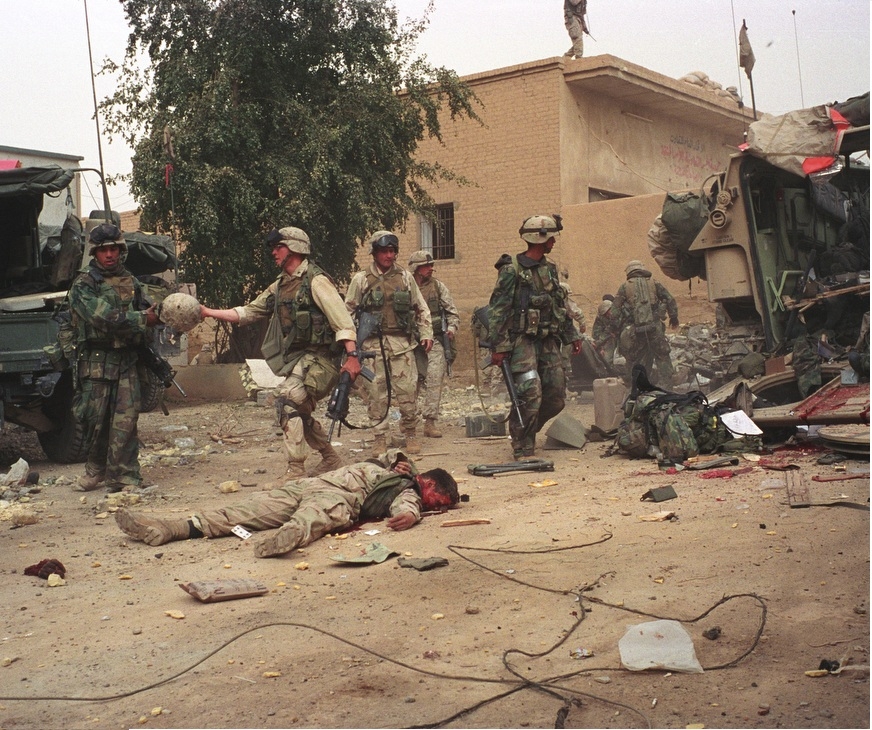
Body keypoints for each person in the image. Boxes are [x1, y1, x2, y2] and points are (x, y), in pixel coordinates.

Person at [200, 227, 362, 478]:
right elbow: (248, 312)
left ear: (295, 248)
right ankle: (330, 458)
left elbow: (343, 322)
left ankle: (295, 470)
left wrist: (352, 358)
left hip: (323, 360)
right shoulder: (280, 285)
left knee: (287, 400)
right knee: (298, 410)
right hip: (301, 361)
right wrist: (208, 312)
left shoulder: (316, 281)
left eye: (279, 247)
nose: (274, 253)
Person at [114, 449, 459, 558]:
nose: (439, 508)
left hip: (336, 498)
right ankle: (171, 528)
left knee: (311, 519)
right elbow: (390, 452)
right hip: (309, 485)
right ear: (429, 482)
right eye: (439, 500)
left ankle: (283, 541)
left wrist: (411, 517)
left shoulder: (408, 492)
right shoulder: (400, 472)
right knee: (244, 512)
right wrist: (403, 461)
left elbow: (406, 507)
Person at [69, 223, 160, 493]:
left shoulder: (131, 280)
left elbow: (146, 310)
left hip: (126, 360)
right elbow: (104, 317)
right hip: (97, 362)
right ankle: (96, 468)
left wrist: (157, 315)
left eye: (113, 249)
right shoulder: (84, 284)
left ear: (121, 251)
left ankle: (125, 476)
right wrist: (143, 319)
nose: (109, 255)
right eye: (103, 250)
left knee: (126, 421)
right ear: (95, 253)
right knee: (96, 421)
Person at [487, 215, 582, 460]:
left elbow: (558, 305)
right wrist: (498, 347)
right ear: (539, 239)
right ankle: (522, 443)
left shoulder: (550, 269)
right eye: (550, 237)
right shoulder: (511, 270)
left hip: (548, 339)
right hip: (522, 341)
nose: (553, 242)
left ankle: (526, 427)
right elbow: (498, 310)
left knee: (556, 396)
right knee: (529, 392)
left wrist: (571, 335)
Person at [344, 231, 433, 456]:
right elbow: (347, 313)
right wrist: (350, 346)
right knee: (375, 394)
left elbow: (421, 307)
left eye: (392, 251)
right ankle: (380, 437)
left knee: (408, 391)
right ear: (374, 253)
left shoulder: (405, 277)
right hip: (371, 347)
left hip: (401, 344)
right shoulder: (361, 279)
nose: (389, 255)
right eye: (384, 251)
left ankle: (410, 433)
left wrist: (426, 333)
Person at [408, 250, 460, 439]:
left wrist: (451, 329)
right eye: (426, 266)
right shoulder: (405, 287)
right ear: (416, 268)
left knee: (434, 378)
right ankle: (409, 423)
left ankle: (430, 422)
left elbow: (452, 312)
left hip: (435, 340)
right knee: (410, 382)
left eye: (431, 265)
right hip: (410, 342)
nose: (431, 269)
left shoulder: (438, 287)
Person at [612, 259, 679, 386]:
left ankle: (639, 386)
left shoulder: (625, 287)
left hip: (636, 330)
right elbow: (669, 299)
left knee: (638, 358)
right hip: (655, 327)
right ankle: (667, 386)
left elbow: (614, 311)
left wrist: (617, 328)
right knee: (662, 355)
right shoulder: (654, 283)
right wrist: (673, 317)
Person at [592, 293, 620, 370]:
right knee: (606, 360)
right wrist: (599, 347)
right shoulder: (601, 317)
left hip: (623, 336)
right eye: (605, 315)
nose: (608, 315)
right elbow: (597, 333)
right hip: (610, 339)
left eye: (608, 312)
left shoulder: (621, 312)